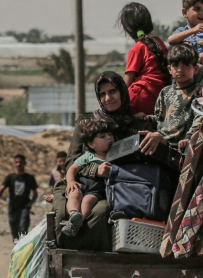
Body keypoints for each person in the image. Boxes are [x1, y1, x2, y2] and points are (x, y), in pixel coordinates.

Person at [53, 71, 151, 252]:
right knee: (61, 214)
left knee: (99, 214)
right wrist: (94, 171)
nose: (108, 98)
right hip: (81, 182)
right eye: (102, 94)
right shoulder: (86, 122)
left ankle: (96, 263)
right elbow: (72, 161)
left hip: (114, 188)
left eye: (113, 91)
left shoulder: (137, 124)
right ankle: (66, 260)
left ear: (122, 91)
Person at [137, 43, 203, 156]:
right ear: (169, 69)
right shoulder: (165, 92)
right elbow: (160, 120)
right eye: (175, 65)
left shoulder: (200, 92)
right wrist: (146, 118)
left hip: (178, 146)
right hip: (159, 139)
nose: (180, 69)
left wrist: (188, 138)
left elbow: (199, 120)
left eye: (186, 65)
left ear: (196, 69)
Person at [60, 119, 113, 239]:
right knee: (74, 195)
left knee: (88, 201)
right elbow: (72, 169)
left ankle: (77, 223)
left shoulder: (113, 156)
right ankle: (74, 214)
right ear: (91, 144)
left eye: (110, 134)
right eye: (103, 136)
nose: (109, 138)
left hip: (96, 191)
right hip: (81, 185)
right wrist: (71, 182)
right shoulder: (88, 156)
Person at [117, 2, 170, 117]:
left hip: (140, 97)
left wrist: (116, 97)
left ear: (127, 28)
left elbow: (127, 80)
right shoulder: (158, 42)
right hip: (161, 98)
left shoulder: (136, 49)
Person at [0, 154, 39, 242]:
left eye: (21, 162)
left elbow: (35, 193)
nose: (19, 164)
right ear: (14, 164)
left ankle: (23, 246)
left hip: (24, 207)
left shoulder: (29, 178)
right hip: (13, 207)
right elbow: (2, 188)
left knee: (23, 228)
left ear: (25, 163)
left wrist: (30, 203)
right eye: (16, 162)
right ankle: (16, 245)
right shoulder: (10, 177)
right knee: (14, 228)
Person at [167, 0, 203, 65]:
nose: (202, 13)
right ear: (185, 12)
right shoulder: (182, 31)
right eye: (197, 9)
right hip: (187, 71)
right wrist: (193, 30)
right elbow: (171, 40)